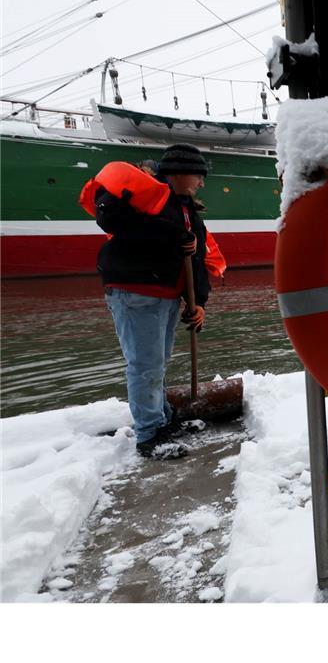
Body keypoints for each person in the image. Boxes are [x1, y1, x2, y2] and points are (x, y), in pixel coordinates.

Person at [94, 144, 212, 459]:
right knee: (145, 366)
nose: (202, 183)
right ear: (181, 171)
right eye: (199, 175)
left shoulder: (186, 208)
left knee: (156, 364)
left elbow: (197, 256)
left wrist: (197, 301)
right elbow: (110, 216)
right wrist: (172, 234)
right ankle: (149, 436)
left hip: (166, 295)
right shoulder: (141, 195)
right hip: (137, 291)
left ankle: (161, 420)